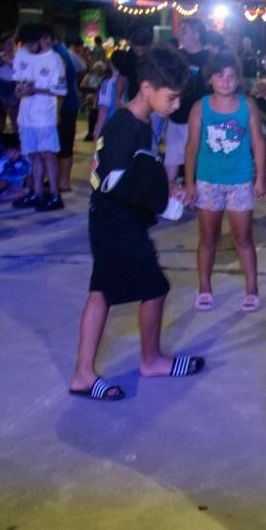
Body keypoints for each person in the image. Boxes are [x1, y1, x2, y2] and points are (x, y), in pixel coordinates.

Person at [69, 48, 204, 402]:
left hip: (114, 219)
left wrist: (167, 187)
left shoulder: (142, 123)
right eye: (171, 97)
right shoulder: (124, 124)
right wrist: (159, 197)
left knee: (102, 290)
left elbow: (139, 169)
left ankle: (84, 374)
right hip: (115, 222)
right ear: (146, 88)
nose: (175, 105)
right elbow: (108, 178)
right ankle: (151, 360)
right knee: (155, 287)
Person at [184, 53, 266, 312]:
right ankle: (204, 287)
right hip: (208, 180)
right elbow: (192, 147)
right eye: (219, 75)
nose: (226, 81)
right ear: (210, 79)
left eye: (231, 76)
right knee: (208, 237)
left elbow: (258, 143)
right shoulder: (201, 107)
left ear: (238, 79)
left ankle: (252, 289)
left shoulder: (247, 106)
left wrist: (260, 177)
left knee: (243, 237)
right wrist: (188, 183)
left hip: (240, 180)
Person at [10, 24, 67, 211]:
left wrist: (36, 89)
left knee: (47, 154)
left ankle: (54, 194)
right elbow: (18, 81)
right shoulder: (22, 54)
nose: (30, 47)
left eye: (33, 43)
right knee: (33, 154)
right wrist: (20, 90)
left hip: (44, 116)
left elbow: (61, 89)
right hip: (26, 115)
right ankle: (36, 192)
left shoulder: (54, 59)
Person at [164, 17, 210, 184]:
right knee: (172, 158)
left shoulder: (209, 59)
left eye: (184, 30)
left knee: (198, 161)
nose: (179, 34)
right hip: (176, 118)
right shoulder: (177, 57)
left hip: (198, 121)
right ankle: (170, 198)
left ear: (197, 34)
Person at [43, 32, 82, 193]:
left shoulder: (57, 54)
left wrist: (56, 113)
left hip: (64, 106)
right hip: (68, 105)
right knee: (64, 144)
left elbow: (60, 87)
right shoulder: (63, 52)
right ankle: (62, 180)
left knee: (62, 145)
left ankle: (63, 181)